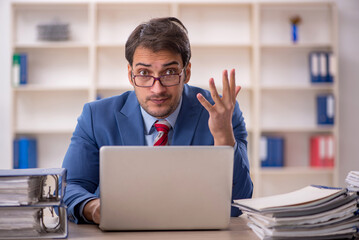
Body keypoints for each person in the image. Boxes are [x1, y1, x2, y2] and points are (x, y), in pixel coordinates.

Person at [62, 17, 253, 224]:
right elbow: (69, 186)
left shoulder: (222, 113)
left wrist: (223, 136)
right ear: (130, 74)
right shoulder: (95, 116)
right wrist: (94, 208)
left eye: (169, 72)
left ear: (186, 72)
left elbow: (238, 204)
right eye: (144, 73)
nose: (157, 88)